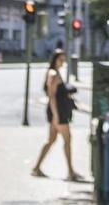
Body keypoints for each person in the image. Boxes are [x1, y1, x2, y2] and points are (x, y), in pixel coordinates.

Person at [32, 49, 83, 181]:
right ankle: (70, 172)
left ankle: (36, 168)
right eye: (61, 59)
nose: (63, 61)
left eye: (64, 59)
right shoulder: (53, 74)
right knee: (67, 139)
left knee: (51, 140)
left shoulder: (56, 73)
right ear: (55, 60)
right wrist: (55, 115)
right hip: (58, 111)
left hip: (57, 111)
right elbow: (52, 96)